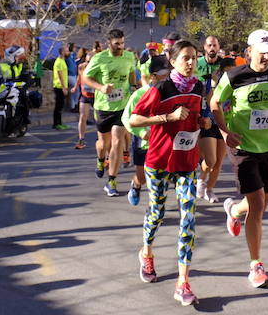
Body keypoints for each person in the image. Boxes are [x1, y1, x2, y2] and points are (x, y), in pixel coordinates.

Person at [212, 29, 268, 288]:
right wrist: (224, 133)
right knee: (258, 205)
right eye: (262, 53)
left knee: (261, 204)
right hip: (243, 147)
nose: (267, 58)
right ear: (249, 52)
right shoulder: (234, 76)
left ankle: (234, 210)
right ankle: (255, 266)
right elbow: (215, 103)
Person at [129, 40, 207, 306]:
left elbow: (198, 115)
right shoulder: (160, 89)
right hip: (159, 161)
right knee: (157, 213)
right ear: (172, 61)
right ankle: (147, 253)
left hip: (187, 161)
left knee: (189, 218)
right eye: (186, 58)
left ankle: (183, 281)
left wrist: (203, 122)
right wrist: (167, 118)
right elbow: (135, 119)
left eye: (194, 58)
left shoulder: (199, 87)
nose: (191, 62)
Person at [82, 29, 137, 197]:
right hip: (103, 107)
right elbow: (86, 77)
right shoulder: (99, 58)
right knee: (103, 144)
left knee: (117, 142)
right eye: (117, 44)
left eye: (122, 43)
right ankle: (100, 160)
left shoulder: (129, 56)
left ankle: (112, 180)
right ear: (109, 43)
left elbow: (132, 73)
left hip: (122, 106)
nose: (120, 47)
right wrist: (101, 88)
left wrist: (134, 86)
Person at [123, 55, 170, 206]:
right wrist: (142, 132)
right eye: (164, 74)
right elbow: (126, 118)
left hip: (162, 142)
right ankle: (136, 185)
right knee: (142, 178)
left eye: (169, 73)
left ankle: (154, 208)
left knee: (160, 178)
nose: (167, 77)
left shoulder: (171, 92)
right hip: (143, 142)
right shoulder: (140, 94)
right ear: (153, 76)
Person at [196, 36, 226, 203]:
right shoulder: (197, 64)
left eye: (215, 45)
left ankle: (209, 189)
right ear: (205, 47)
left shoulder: (224, 65)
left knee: (219, 162)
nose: (212, 48)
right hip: (205, 116)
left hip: (222, 117)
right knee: (210, 160)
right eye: (209, 45)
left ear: (218, 47)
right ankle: (201, 178)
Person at [74, 48, 93, 149]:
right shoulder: (81, 66)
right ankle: (81, 139)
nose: (88, 63)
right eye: (87, 61)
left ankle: (103, 139)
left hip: (96, 96)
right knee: (83, 116)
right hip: (85, 95)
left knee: (99, 119)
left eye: (91, 61)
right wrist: (75, 87)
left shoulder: (98, 68)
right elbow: (79, 77)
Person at [52, 44, 71, 131]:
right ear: (63, 52)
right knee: (58, 106)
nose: (68, 52)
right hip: (59, 87)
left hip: (62, 86)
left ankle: (59, 123)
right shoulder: (59, 61)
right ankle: (56, 124)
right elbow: (60, 76)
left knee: (60, 106)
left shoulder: (62, 60)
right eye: (67, 51)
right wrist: (64, 88)